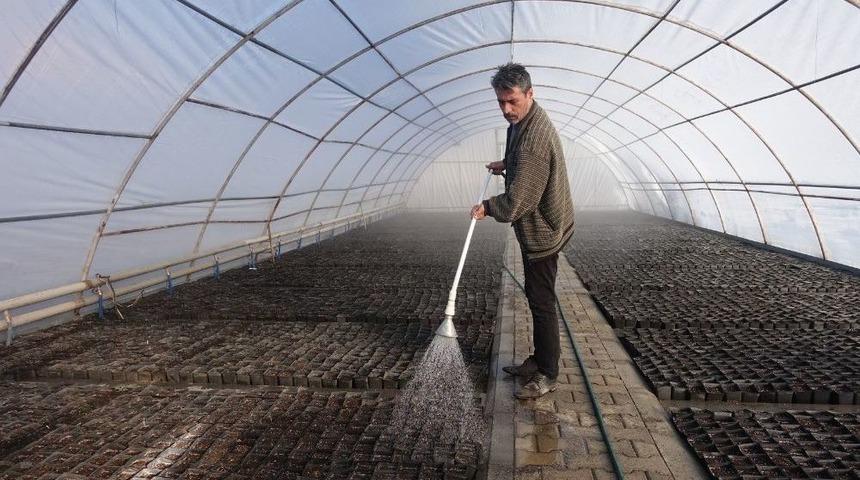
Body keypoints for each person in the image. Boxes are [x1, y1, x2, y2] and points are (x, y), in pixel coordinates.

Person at [471, 63, 575, 400]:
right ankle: (539, 359)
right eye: (500, 102)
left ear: (530, 94)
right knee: (534, 296)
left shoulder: (533, 138)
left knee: (542, 301)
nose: (506, 109)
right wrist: (507, 164)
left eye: (512, 101)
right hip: (542, 221)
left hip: (543, 230)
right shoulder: (522, 122)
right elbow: (521, 161)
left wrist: (487, 206)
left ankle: (548, 373)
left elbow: (517, 202)